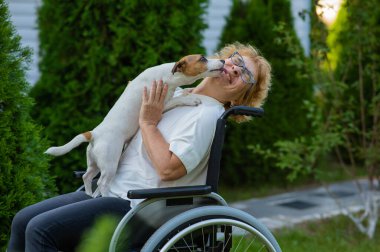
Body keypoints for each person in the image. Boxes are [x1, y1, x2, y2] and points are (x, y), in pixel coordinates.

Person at [7, 42, 272, 251]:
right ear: (222, 60)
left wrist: (147, 122)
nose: (236, 69)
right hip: (111, 191)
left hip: (138, 208)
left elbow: (168, 169)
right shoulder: (178, 95)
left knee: (40, 230)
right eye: (236, 61)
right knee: (22, 221)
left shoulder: (206, 115)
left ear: (243, 95)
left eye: (245, 74)